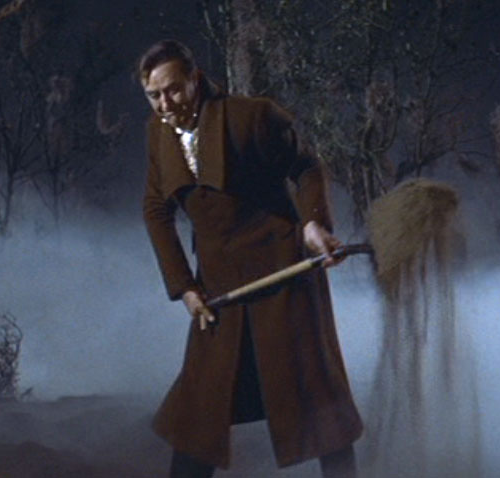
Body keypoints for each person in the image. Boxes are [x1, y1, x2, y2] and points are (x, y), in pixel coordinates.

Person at [138, 40, 362, 478]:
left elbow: (306, 167)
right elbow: (155, 209)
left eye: (174, 89)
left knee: (319, 401)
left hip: (284, 275)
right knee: (199, 410)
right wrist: (185, 287)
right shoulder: (157, 133)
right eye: (154, 95)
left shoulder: (250, 116)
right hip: (220, 288)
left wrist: (313, 224)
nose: (165, 104)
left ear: (195, 79)